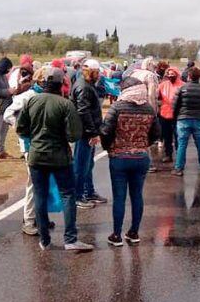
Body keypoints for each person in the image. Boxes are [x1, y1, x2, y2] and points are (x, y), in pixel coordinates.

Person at [16, 67, 94, 252]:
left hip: (36, 155)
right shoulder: (65, 105)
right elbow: (74, 135)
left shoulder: (31, 101)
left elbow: (21, 129)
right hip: (60, 156)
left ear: (43, 82)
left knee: (39, 195)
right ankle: (70, 238)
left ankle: (44, 239)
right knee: (68, 195)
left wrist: (36, 136)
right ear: (61, 84)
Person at [100, 77, 161, 246]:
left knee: (119, 197)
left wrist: (109, 148)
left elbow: (105, 131)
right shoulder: (149, 109)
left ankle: (116, 235)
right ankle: (134, 232)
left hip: (119, 157)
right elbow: (156, 133)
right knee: (137, 195)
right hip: (141, 157)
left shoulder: (116, 107)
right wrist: (142, 145)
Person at [4, 67, 49, 236]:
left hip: (43, 144)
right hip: (30, 145)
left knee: (43, 182)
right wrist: (20, 127)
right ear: (40, 80)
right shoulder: (26, 97)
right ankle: (29, 220)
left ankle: (39, 216)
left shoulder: (46, 96)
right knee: (34, 183)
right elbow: (8, 114)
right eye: (47, 80)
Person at [70, 59, 107, 209]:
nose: (98, 75)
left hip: (87, 131)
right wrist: (92, 133)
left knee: (88, 164)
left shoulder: (86, 85)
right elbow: (83, 111)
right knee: (81, 165)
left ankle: (88, 192)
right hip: (84, 133)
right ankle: (78, 196)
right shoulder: (83, 86)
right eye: (97, 72)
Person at [171, 67, 200, 176]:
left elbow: (175, 106)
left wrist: (175, 118)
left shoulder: (182, 88)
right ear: (199, 77)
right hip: (199, 120)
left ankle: (179, 168)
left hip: (183, 119)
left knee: (182, 144)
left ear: (189, 76)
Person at [157, 67, 184, 164]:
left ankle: (179, 156)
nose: (170, 76)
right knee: (166, 136)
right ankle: (168, 154)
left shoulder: (182, 85)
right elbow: (157, 96)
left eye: (173, 74)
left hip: (178, 115)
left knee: (178, 136)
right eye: (169, 74)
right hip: (164, 114)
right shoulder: (163, 85)